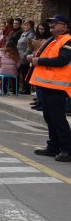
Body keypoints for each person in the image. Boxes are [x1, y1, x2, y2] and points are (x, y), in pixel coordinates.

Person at [29, 14, 71, 163]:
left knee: (58, 119)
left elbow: (62, 60)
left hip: (56, 87)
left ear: (64, 26)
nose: (51, 25)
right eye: (50, 23)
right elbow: (46, 58)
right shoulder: (52, 40)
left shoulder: (68, 40)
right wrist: (33, 57)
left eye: (55, 23)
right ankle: (53, 147)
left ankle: (67, 150)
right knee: (49, 118)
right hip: (45, 85)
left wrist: (38, 60)